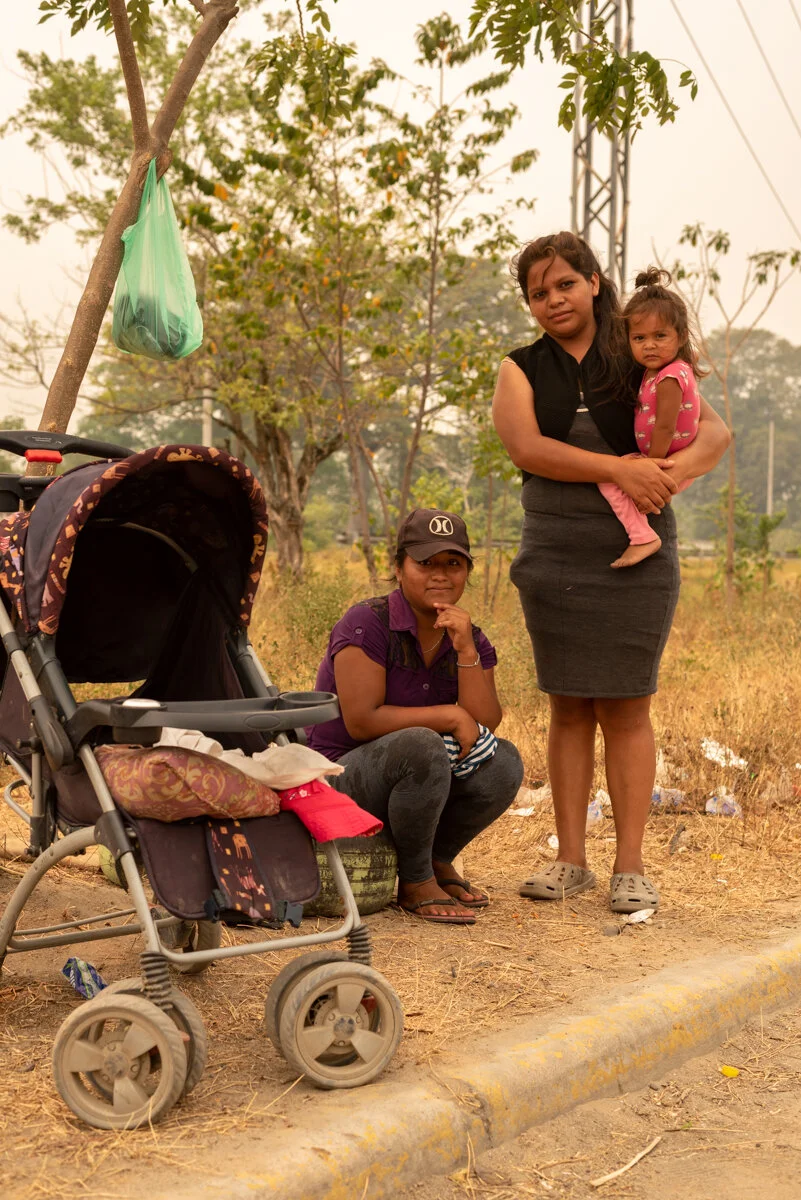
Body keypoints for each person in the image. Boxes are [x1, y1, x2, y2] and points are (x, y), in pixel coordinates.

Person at [491, 231, 730, 914]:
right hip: (554, 553)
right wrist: (618, 470)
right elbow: (527, 448)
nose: (553, 300)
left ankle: (630, 866)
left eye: (565, 283)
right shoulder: (520, 368)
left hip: (639, 555)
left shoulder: (638, 349)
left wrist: (665, 474)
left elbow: (715, 434)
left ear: (594, 282)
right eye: (538, 292)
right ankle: (571, 861)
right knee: (567, 705)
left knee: (626, 708)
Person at [307, 508, 524, 925]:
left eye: (453, 563)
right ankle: (416, 880)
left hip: (410, 779)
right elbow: (361, 722)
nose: (440, 575)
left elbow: (484, 724)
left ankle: (437, 860)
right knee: (422, 744)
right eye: (425, 563)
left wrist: (466, 651)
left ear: (466, 572)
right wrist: (448, 715)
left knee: (504, 761)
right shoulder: (367, 623)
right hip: (339, 778)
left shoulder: (470, 636)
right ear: (399, 568)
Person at [598, 267, 704, 569]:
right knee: (616, 475)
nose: (650, 345)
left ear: (681, 336)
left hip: (664, 462)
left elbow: (666, 426)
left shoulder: (670, 376)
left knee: (608, 481)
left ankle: (642, 536)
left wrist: (651, 467)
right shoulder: (654, 372)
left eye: (660, 336)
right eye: (639, 338)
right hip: (662, 460)